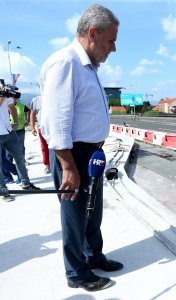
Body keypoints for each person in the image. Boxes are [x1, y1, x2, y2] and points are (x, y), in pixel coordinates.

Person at [40, 4, 122, 292]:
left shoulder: (89, 66)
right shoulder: (66, 63)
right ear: (92, 33)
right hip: (73, 154)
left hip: (91, 154)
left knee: (92, 211)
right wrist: (68, 166)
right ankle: (77, 273)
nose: (113, 47)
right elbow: (55, 120)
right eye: (110, 40)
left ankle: (93, 256)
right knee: (75, 216)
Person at [0, 93, 40, 202]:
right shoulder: (2, 95)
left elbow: (12, 106)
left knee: (20, 157)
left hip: (9, 132)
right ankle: (3, 191)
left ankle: (26, 184)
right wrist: (2, 95)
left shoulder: (3, 93)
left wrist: (16, 122)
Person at [30, 95, 50, 174]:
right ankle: (47, 165)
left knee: (57, 146)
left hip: (54, 127)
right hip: (41, 127)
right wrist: (32, 127)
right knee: (44, 147)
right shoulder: (36, 100)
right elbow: (32, 113)